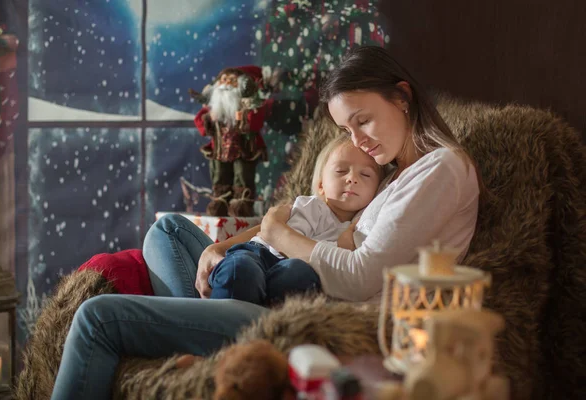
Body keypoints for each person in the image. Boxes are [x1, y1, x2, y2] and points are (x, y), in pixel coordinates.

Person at [50, 46, 479, 400]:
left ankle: (205, 333)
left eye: (362, 120)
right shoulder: (393, 175)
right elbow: (313, 217)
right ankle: (206, 321)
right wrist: (228, 244)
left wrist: (278, 233)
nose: (358, 141)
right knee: (170, 230)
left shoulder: (441, 169)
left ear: (402, 97)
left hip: (304, 316)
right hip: (270, 288)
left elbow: (361, 278)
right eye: (347, 130)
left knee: (96, 318)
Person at [208, 134, 384, 305]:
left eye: (365, 175)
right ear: (321, 185)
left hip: (290, 269)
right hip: (262, 254)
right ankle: (224, 322)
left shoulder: (362, 223)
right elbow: (286, 243)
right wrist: (339, 247)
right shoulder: (311, 206)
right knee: (241, 268)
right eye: (341, 171)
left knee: (299, 274)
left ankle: (265, 315)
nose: (352, 179)